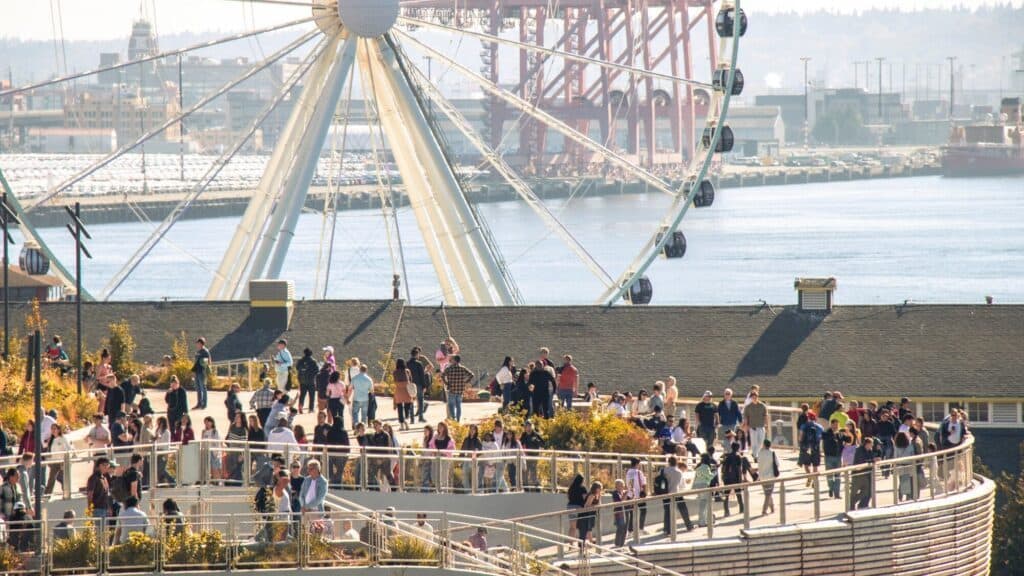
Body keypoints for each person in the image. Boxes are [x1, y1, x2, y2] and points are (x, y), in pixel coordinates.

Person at [661, 456, 695, 533]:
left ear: (668, 462)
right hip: (677, 493)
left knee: (667, 512)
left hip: (665, 493)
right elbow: (682, 485)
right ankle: (689, 525)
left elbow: (661, 482)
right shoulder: (678, 472)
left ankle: (667, 529)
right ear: (676, 462)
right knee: (683, 510)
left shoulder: (663, 471)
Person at [720, 442, 753, 516]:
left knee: (726, 495)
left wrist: (723, 477)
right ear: (738, 448)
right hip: (735, 478)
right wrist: (740, 480)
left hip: (727, 478)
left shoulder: (727, 456)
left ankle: (726, 511)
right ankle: (741, 509)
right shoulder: (738, 456)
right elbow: (739, 469)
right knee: (738, 494)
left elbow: (725, 467)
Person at [850, 437, 881, 510]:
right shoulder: (859, 450)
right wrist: (872, 460)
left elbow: (871, 458)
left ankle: (853, 502)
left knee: (866, 491)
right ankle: (851, 505)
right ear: (867, 444)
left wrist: (875, 459)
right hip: (857, 474)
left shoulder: (869, 451)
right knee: (854, 491)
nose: (872, 446)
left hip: (866, 474)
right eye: (871, 444)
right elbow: (861, 461)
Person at [442, 355, 474, 422]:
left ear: (455, 360)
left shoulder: (449, 368)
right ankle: (458, 419)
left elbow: (442, 375)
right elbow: (472, 375)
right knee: (458, 406)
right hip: (460, 390)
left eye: (452, 359)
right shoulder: (463, 368)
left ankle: (453, 418)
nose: (451, 360)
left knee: (451, 405)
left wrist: (446, 382)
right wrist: (465, 382)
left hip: (452, 389)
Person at [86, 457, 114, 535]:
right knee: (99, 533)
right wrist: (90, 509)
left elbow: (106, 495)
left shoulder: (104, 478)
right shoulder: (93, 478)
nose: (106, 467)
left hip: (105, 508)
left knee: (105, 533)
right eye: (104, 465)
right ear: (98, 466)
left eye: (107, 465)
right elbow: (90, 494)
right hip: (97, 508)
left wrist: (109, 507)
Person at [822, 418, 848, 499]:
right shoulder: (826, 432)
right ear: (831, 424)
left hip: (838, 457)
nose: (836, 426)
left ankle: (837, 493)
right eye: (835, 424)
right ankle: (831, 488)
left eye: (837, 425)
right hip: (829, 456)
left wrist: (847, 433)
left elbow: (849, 440)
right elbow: (825, 438)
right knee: (829, 475)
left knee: (838, 476)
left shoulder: (840, 433)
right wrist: (834, 434)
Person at [408, 348, 434, 423]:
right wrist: (424, 386)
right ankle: (421, 417)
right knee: (420, 399)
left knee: (411, 401)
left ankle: (412, 419)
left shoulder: (407, 363)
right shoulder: (419, 363)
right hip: (419, 384)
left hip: (411, 384)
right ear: (417, 354)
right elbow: (422, 375)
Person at [798, 412, 824, 481]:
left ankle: (809, 477)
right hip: (816, 448)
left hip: (806, 447)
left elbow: (800, 438)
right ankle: (815, 480)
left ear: (808, 418)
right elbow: (821, 437)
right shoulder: (820, 426)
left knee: (806, 465)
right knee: (815, 466)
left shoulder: (804, 426)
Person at [519, 421, 544, 490]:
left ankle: (537, 487)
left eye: (529, 426)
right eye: (526, 426)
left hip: (534, 456)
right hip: (526, 456)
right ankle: (526, 487)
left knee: (533, 472)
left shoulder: (535, 434)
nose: (527, 428)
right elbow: (520, 443)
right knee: (525, 471)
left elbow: (543, 443)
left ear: (531, 426)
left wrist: (536, 441)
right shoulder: (524, 435)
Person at [757, 439, 780, 515]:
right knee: (768, 494)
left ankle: (772, 508)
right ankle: (764, 510)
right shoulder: (772, 453)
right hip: (770, 476)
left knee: (767, 493)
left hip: (762, 476)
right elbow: (777, 464)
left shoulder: (760, 453)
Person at [744, 390, 768, 462]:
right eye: (753, 397)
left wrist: (766, 425)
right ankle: (755, 456)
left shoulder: (762, 406)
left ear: (757, 397)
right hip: (752, 427)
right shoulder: (748, 407)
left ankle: (755, 453)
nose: (754, 398)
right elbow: (746, 417)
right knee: (754, 442)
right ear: (751, 397)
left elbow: (766, 416)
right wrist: (746, 426)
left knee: (760, 442)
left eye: (755, 396)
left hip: (761, 426)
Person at [692, 453, 715, 527]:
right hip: (704, 485)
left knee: (702, 505)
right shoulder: (706, 467)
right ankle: (709, 520)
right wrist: (715, 472)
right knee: (708, 504)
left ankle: (701, 521)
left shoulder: (698, 467)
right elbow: (709, 477)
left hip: (698, 487)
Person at [577, 481, 603, 545]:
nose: (601, 490)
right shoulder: (591, 495)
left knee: (589, 527)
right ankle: (582, 545)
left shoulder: (597, 495)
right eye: (600, 488)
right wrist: (594, 506)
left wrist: (599, 497)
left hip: (591, 514)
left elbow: (599, 504)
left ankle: (590, 540)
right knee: (585, 530)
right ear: (596, 488)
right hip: (586, 514)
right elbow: (586, 506)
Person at [625, 457, 647, 530]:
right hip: (639, 495)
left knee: (631, 513)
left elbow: (629, 484)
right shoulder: (638, 472)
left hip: (630, 495)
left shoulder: (628, 472)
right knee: (643, 510)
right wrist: (645, 492)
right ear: (637, 464)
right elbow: (644, 484)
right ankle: (641, 528)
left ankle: (630, 530)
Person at [295, 348, 319, 414]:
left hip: (302, 380)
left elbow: (297, 368)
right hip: (311, 380)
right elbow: (317, 370)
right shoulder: (313, 361)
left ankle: (301, 406)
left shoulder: (300, 360)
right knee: (312, 396)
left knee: (302, 395)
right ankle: (311, 409)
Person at [393, 359, 415, 431]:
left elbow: (394, 381)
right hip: (406, 391)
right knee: (407, 407)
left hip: (398, 391)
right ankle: (406, 420)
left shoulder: (395, 372)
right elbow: (411, 380)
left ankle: (402, 424)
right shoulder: (407, 371)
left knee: (399, 408)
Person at [460, 424, 483, 492]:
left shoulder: (477, 440)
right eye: (471, 429)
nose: (472, 431)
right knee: (464, 476)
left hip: (474, 461)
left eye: (473, 429)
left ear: (476, 431)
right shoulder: (466, 439)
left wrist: (475, 454)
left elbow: (480, 451)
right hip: (466, 460)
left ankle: (475, 491)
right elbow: (462, 450)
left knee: (474, 477)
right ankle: (467, 491)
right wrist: (460, 459)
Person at [566, 474, 586, 540]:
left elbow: (568, 497)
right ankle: (580, 542)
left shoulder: (571, 488)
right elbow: (585, 498)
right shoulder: (582, 488)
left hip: (570, 506)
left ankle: (570, 544)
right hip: (578, 507)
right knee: (581, 526)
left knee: (572, 527)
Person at [202, 417, 223, 481]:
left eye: (208, 422)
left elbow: (217, 442)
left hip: (214, 452)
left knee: (216, 468)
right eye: (205, 422)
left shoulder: (215, 431)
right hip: (207, 451)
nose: (207, 424)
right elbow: (203, 442)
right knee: (208, 468)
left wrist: (216, 452)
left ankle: (218, 481)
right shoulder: (204, 432)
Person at [611, 479, 629, 547]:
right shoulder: (615, 493)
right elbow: (620, 502)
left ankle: (622, 543)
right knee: (620, 527)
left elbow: (629, 500)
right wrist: (625, 495)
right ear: (616, 486)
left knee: (625, 528)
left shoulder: (623, 492)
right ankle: (617, 543)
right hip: (619, 512)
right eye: (620, 485)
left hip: (626, 511)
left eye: (622, 485)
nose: (622, 487)